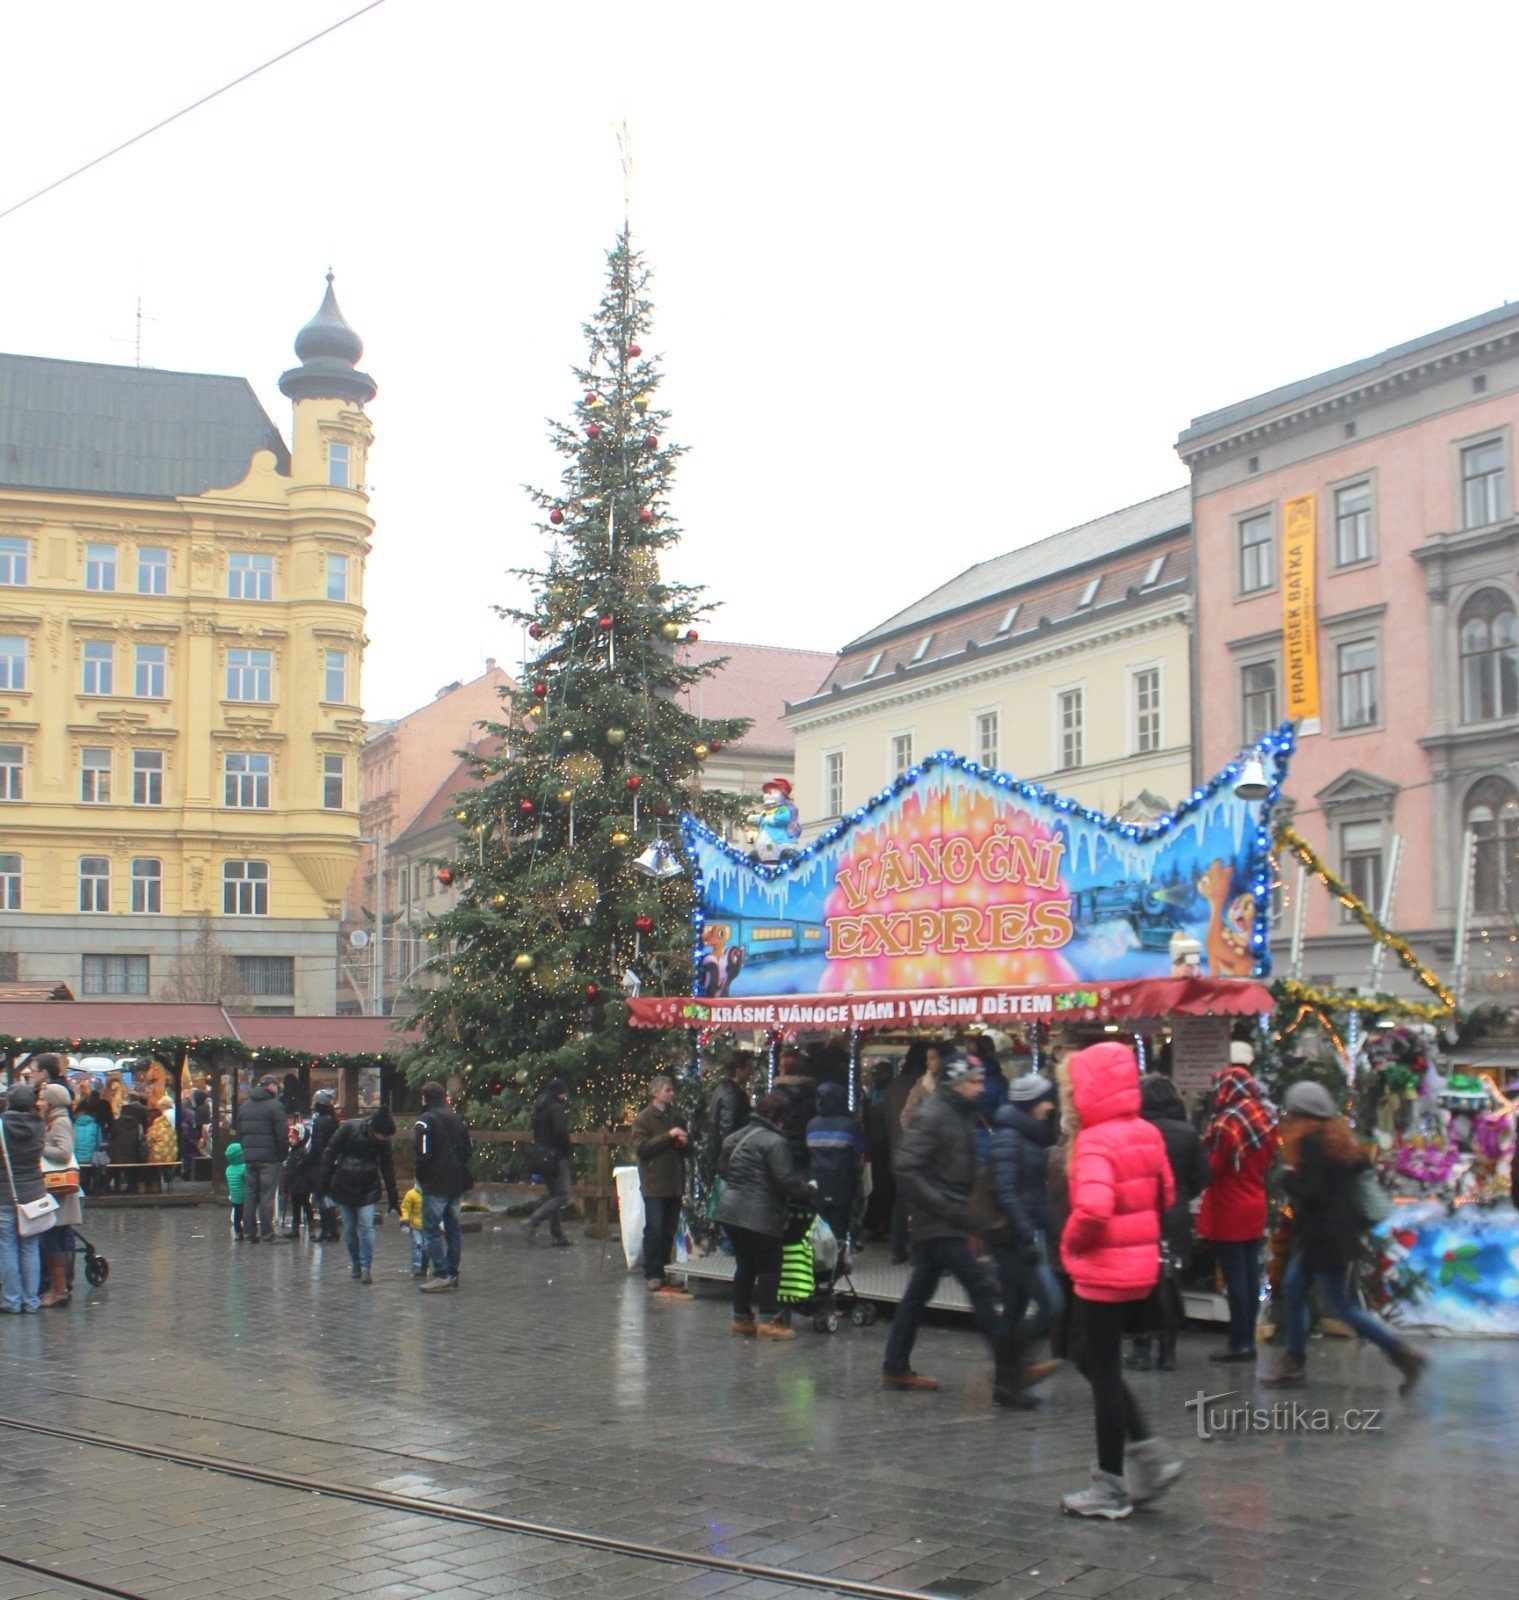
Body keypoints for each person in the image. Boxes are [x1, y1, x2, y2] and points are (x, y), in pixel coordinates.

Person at [1059, 1042, 1182, 1520]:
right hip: (1138, 1265)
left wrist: (1071, 1244)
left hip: (1101, 1270)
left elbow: (1092, 1208)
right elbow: (1166, 1193)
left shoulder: (1093, 1141)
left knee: (1101, 1369)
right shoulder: (1146, 1132)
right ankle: (1149, 1455)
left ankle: (1111, 1484)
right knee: (1091, 1359)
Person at [1263, 1081, 1429, 1394]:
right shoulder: (1337, 1139)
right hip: (1333, 1235)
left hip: (1324, 1239)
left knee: (1340, 1306)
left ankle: (1402, 1354)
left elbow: (1312, 1191)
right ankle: (1294, 1362)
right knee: (1295, 1289)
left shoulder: (1311, 1143)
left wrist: (1287, 1178)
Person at [881, 1054, 1001, 1392]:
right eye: (974, 1081)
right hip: (939, 1220)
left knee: (917, 1295)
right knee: (978, 1285)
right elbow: (906, 1165)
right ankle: (1010, 1367)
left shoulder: (958, 1113)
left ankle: (894, 1364)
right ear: (956, 1082)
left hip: (946, 1218)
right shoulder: (935, 1113)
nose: (980, 1087)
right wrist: (946, 1206)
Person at [988, 1072, 1065, 1408]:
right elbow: (1006, 1191)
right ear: (1033, 1103)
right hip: (1013, 1239)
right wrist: (1028, 1233)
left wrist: (1055, 1232)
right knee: (1052, 1304)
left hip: (1021, 1235)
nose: (1050, 1105)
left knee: (1015, 1309)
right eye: (1045, 1099)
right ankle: (1015, 1370)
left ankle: (1006, 1384)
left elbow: (1034, 1194)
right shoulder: (1011, 1138)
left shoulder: (1027, 1137)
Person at [716, 1091, 817, 1339]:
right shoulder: (775, 1142)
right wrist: (808, 1189)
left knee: (745, 1266)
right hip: (760, 1216)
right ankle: (767, 1320)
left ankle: (741, 1318)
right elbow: (785, 1180)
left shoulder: (734, 1137)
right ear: (780, 1117)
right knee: (770, 1267)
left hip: (730, 1213)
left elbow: (722, 1169)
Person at [1127, 1075, 1211, 1371]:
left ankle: (1141, 1345)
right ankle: (1168, 1348)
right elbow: (1204, 1176)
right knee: (1170, 1282)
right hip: (1175, 1214)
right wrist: (1184, 1192)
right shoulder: (1187, 1133)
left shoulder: (1135, 1130)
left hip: (1141, 1211)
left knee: (1142, 1282)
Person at [1198, 1050, 1277, 1363]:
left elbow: (1213, 1167)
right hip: (1254, 1201)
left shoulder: (1226, 1124)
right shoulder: (1264, 1117)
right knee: (1249, 1273)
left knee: (1236, 1279)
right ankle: (1248, 1339)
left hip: (1229, 1206)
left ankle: (1239, 1342)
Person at [319, 1105, 400, 1283]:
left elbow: (388, 1168)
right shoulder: (349, 1127)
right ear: (375, 1129)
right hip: (345, 1184)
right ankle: (356, 1262)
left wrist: (393, 1197)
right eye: (384, 1135)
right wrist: (324, 1182)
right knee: (349, 1228)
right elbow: (330, 1153)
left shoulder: (381, 1140)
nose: (385, 1139)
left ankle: (365, 1266)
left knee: (366, 1226)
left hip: (367, 1186)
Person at [631, 1075, 690, 1297]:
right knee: (655, 1229)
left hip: (674, 1182)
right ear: (655, 1093)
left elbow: (686, 1150)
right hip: (655, 1182)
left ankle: (665, 1268)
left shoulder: (676, 1118)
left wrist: (684, 1143)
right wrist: (668, 1136)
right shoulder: (643, 1120)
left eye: (672, 1090)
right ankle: (652, 1273)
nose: (671, 1094)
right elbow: (642, 1148)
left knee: (668, 1229)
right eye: (667, 1090)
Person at [414, 1082, 472, 1293]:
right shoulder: (457, 1118)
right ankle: (452, 1271)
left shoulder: (424, 1121)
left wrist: (422, 1175)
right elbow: (468, 1148)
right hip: (456, 1180)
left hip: (435, 1182)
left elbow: (422, 1154)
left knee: (430, 1230)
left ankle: (441, 1273)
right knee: (453, 1229)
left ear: (424, 1098)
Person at [0, 1082, 46, 1314]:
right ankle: (31, 1300)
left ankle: (12, 1300)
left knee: (7, 1246)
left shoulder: (1, 1126)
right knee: (31, 1247)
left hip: (6, 1193)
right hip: (34, 1193)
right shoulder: (39, 1125)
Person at [37, 1082, 82, 1308]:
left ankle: (59, 1290)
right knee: (58, 1238)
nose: (39, 1102)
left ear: (52, 1102)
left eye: (43, 1099)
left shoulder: (60, 1122)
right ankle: (59, 1288)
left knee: (53, 1238)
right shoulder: (56, 1120)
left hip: (59, 1192)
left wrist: (40, 1147)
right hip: (58, 1193)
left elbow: (64, 1153)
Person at [805, 1081, 864, 1249]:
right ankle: (837, 1259)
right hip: (842, 1182)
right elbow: (860, 1150)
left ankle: (819, 1257)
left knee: (819, 1223)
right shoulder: (849, 1126)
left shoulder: (812, 1125)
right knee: (839, 1224)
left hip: (817, 1182)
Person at [236, 1075, 288, 1243]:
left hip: (250, 1157)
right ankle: (267, 1234)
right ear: (271, 1086)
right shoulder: (275, 1106)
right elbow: (282, 1135)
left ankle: (249, 1233)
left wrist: (246, 1150)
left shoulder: (244, 1106)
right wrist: (282, 1154)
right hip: (269, 1157)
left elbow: (239, 1132)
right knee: (267, 1195)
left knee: (251, 1194)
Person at [524, 1077, 574, 1247]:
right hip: (556, 1155)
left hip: (542, 1155)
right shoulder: (556, 1108)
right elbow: (560, 1132)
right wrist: (567, 1149)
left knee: (554, 1195)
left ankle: (557, 1235)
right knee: (563, 1196)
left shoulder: (539, 1108)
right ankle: (535, 1219)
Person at [702, 1053, 754, 1193]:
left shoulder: (724, 1089)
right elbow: (728, 1129)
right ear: (739, 1070)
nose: (751, 1073)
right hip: (730, 1161)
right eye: (749, 1068)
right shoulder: (732, 1094)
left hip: (724, 1158)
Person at [861, 1061, 895, 1241]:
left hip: (881, 1147)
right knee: (879, 1187)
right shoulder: (874, 1096)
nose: (875, 1080)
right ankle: (879, 1224)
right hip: (878, 1147)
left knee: (882, 1187)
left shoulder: (882, 1097)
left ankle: (880, 1224)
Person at [771, 1050, 818, 1171]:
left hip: (781, 1149)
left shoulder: (776, 1095)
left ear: (784, 1069)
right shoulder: (812, 1093)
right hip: (806, 1149)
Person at [304, 1090, 341, 1242]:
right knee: (328, 1197)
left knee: (322, 1196)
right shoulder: (333, 1120)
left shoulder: (320, 1122)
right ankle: (332, 1230)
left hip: (321, 1163)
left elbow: (317, 1146)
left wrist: (308, 1161)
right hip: (331, 1162)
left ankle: (327, 1230)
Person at [106, 1094, 149, 1194]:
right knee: (130, 1168)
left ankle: (111, 1187)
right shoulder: (138, 1126)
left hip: (116, 1157)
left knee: (112, 1164)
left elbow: (111, 1139)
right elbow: (141, 1140)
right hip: (133, 1156)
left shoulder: (116, 1124)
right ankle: (132, 1186)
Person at [73, 1089, 105, 1198]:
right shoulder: (95, 1126)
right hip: (91, 1157)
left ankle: (84, 1190)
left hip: (77, 1157)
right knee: (96, 1171)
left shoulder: (74, 1127)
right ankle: (96, 1191)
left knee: (83, 1174)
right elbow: (99, 1142)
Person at [400, 1182, 426, 1276]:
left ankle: (424, 1267)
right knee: (417, 1244)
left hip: (428, 1226)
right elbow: (405, 1209)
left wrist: (440, 1220)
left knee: (427, 1247)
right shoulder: (411, 1194)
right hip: (415, 1226)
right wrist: (405, 1222)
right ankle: (416, 1267)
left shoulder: (432, 1194)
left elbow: (437, 1208)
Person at [225, 1137, 247, 1241]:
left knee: (237, 1216)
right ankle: (249, 1231)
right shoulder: (244, 1168)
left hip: (234, 1197)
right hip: (244, 1196)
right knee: (247, 1215)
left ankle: (238, 1233)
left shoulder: (228, 1169)